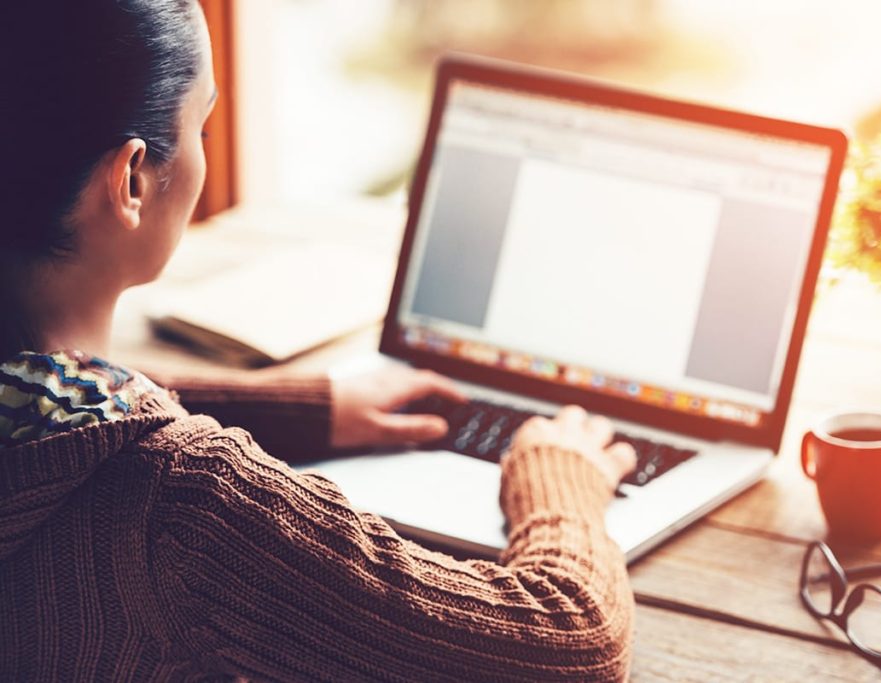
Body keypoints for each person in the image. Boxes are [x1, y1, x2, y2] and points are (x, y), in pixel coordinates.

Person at [0, 2, 637, 681]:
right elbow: (572, 647)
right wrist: (560, 481)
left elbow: (73, 400)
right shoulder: (182, 508)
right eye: (203, 124)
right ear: (131, 180)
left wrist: (312, 408)